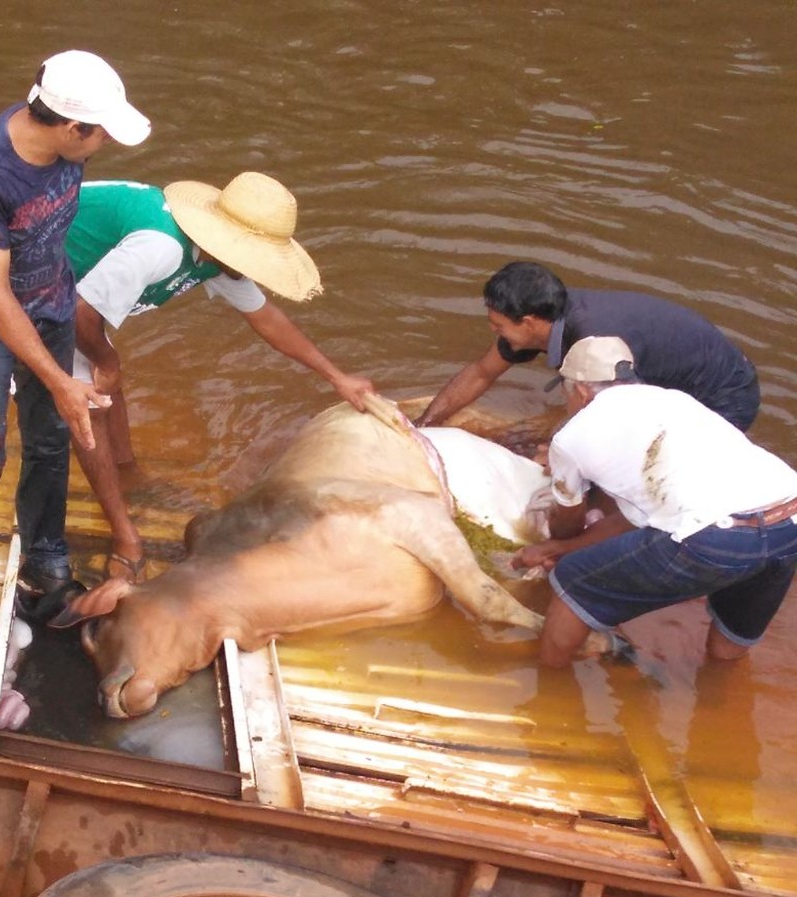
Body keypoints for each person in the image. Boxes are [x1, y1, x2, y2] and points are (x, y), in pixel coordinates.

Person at [0, 51, 151, 654]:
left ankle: (46, 555)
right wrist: (58, 376)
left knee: (52, 438)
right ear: (69, 126)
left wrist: (72, 358)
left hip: (51, 301)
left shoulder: (63, 149)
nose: (104, 142)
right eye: (100, 132)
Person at [65, 173, 375, 579]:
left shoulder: (216, 262)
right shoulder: (159, 247)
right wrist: (107, 363)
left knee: (106, 373)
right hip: (36, 274)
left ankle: (127, 473)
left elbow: (268, 320)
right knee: (92, 403)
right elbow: (79, 314)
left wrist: (337, 377)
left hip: (79, 286)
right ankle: (125, 536)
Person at [511, 337, 797, 668]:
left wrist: (557, 547)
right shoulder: (674, 401)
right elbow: (637, 520)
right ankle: (720, 697)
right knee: (733, 626)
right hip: (789, 517)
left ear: (580, 391)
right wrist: (557, 549)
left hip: (718, 533)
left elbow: (567, 521)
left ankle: (549, 692)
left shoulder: (572, 437)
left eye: (565, 390)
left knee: (573, 582)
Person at [416, 261, 760, 432]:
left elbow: (617, 425)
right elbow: (481, 372)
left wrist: (555, 454)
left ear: (529, 322)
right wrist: (424, 425)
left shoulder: (596, 342)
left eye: (499, 326)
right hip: (664, 379)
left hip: (721, 395)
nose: (496, 334)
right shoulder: (542, 322)